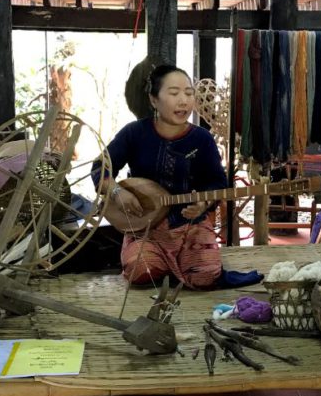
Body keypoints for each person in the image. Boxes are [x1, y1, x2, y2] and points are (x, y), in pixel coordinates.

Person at [93, 65, 226, 289]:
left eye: (188, 93)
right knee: (141, 271)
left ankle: (183, 261)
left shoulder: (202, 139)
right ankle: (165, 262)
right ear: (154, 100)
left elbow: (217, 182)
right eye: (174, 93)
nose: (183, 101)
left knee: (205, 276)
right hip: (145, 224)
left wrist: (202, 204)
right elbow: (100, 167)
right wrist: (117, 192)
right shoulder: (134, 133)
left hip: (190, 224)